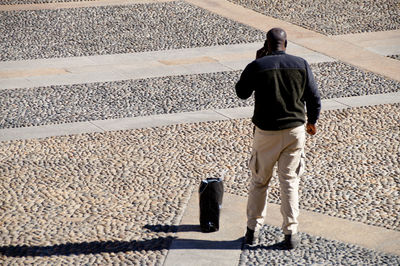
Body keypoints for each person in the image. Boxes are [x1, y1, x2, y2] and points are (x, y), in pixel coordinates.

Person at [235, 28, 321, 249]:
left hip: (266, 133)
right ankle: (291, 234)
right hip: (294, 131)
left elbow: (242, 92)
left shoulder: (258, 66)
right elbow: (314, 97)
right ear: (286, 43)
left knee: (259, 181)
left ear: (266, 44)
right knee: (289, 182)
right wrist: (312, 122)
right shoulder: (301, 63)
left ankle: (252, 232)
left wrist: (256, 62)